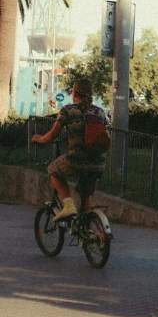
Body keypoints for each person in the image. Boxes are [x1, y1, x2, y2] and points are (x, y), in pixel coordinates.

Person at [32, 77, 108, 221]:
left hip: (76, 160)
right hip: (98, 163)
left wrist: (38, 139)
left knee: (53, 170)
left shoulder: (68, 110)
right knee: (85, 196)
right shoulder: (100, 112)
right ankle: (89, 235)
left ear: (74, 92)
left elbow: (51, 136)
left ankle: (68, 204)